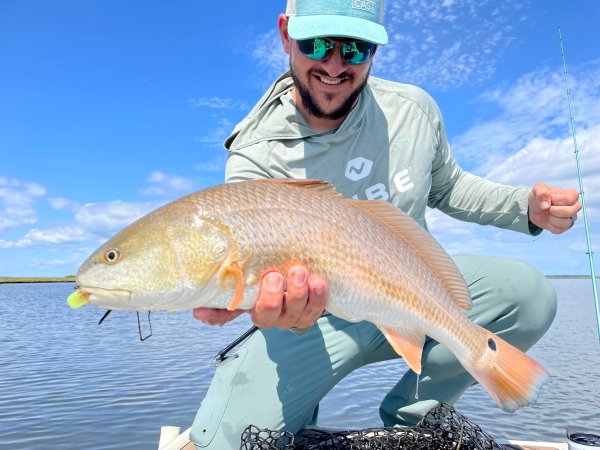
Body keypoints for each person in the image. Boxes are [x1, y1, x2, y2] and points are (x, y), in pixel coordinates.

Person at [189, 0, 582, 448]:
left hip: (414, 291)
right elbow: (243, 275)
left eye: (355, 48)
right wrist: (244, 301)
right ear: (285, 35)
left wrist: (523, 208)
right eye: (315, 42)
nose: (335, 64)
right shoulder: (255, 155)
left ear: (374, 49)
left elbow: (448, 187)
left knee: (526, 294)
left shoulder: (414, 110)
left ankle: (415, 424)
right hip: (313, 323)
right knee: (227, 442)